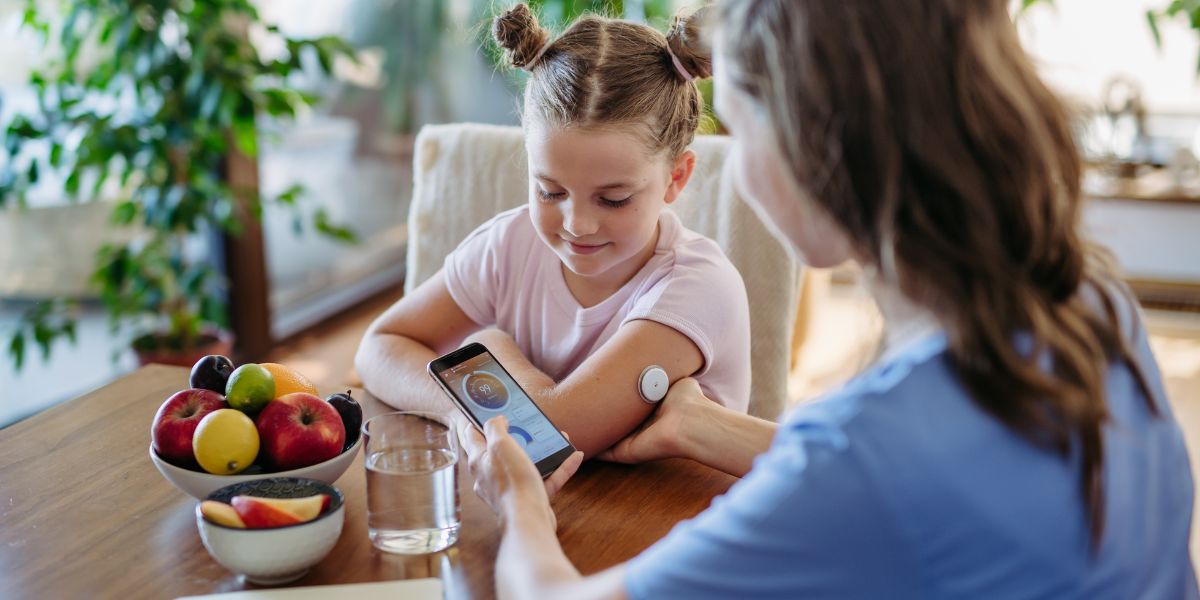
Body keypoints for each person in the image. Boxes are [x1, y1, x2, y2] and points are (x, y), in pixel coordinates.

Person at [458, 1, 1199, 598]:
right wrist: (710, 430)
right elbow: (934, 489)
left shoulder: (858, 459)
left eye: (741, 133)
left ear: (814, 150)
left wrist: (520, 495)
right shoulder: (1090, 300)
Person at [354, 4, 751, 456]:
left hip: (666, 518)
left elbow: (559, 434)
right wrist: (463, 410)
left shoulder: (698, 288)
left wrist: (492, 350)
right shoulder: (508, 244)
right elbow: (380, 347)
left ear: (676, 178)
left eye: (614, 199)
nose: (576, 224)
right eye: (550, 191)